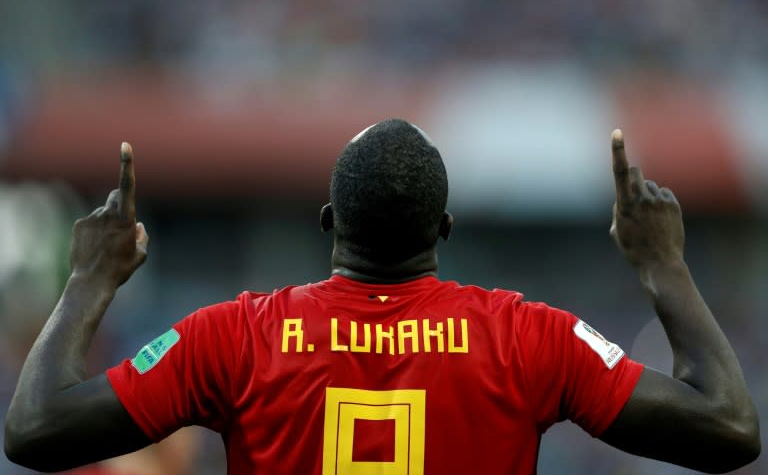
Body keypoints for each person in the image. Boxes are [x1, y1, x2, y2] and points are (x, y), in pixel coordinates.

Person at [3, 119, 761, 474]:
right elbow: (729, 426)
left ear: (330, 223)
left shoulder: (230, 338)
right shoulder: (529, 337)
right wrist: (662, 264)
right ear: (446, 227)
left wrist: (88, 279)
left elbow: (34, 428)